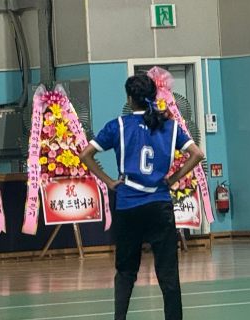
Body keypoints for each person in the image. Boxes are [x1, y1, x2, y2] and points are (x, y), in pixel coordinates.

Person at [79, 74, 205, 320]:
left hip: (129, 205)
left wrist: (109, 182)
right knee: (168, 273)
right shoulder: (170, 126)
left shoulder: (118, 125)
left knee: (126, 272)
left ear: (129, 99)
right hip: (159, 205)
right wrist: (173, 178)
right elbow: (197, 154)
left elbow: (85, 154)